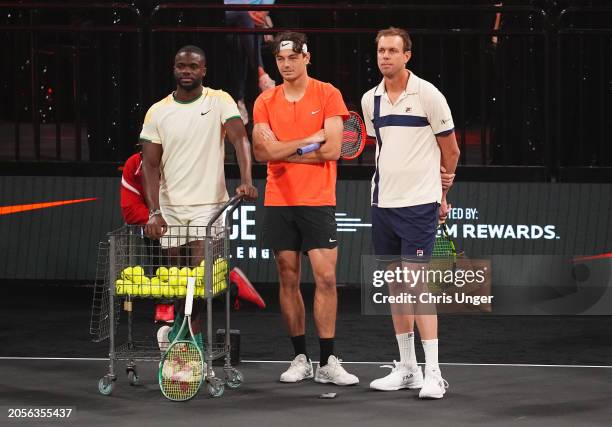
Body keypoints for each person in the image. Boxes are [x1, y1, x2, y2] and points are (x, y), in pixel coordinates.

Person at [252, 31, 358, 386]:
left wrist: (288, 148)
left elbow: (332, 151)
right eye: (280, 60)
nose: (286, 65)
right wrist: (309, 141)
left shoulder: (328, 94)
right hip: (279, 200)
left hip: (317, 201)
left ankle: (329, 361)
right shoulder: (265, 100)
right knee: (287, 278)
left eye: (293, 58)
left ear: (306, 58)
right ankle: (300, 357)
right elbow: (261, 153)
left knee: (326, 278)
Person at [361, 27, 460, 399]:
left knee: (416, 285)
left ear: (407, 55)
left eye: (392, 50)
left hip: (419, 204)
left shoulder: (428, 95)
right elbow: (383, 149)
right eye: (381, 51)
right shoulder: (369, 99)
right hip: (383, 204)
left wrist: (441, 193)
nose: (385, 56)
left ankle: (434, 373)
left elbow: (451, 151)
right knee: (396, 287)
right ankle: (408, 369)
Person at [139, 45, 258, 351]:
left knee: (198, 278)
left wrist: (246, 180)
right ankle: (180, 332)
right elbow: (150, 166)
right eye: (181, 66)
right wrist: (154, 211)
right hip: (171, 208)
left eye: (193, 66)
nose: (186, 71)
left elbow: (240, 138)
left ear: (203, 70)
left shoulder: (218, 101)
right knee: (178, 280)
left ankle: (192, 336)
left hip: (208, 206)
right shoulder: (158, 110)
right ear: (174, 69)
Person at [120, 150, 175, 325]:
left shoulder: (178, 160)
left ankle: (232, 283)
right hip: (155, 222)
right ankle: (165, 304)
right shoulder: (133, 164)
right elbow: (129, 210)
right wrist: (156, 220)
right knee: (155, 243)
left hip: (184, 217)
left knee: (194, 270)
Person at [225, 0, 277, 124]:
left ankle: (239, 100)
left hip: (254, 16)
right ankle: (262, 76)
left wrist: (263, 11)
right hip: (227, 13)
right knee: (244, 16)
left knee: (242, 41)